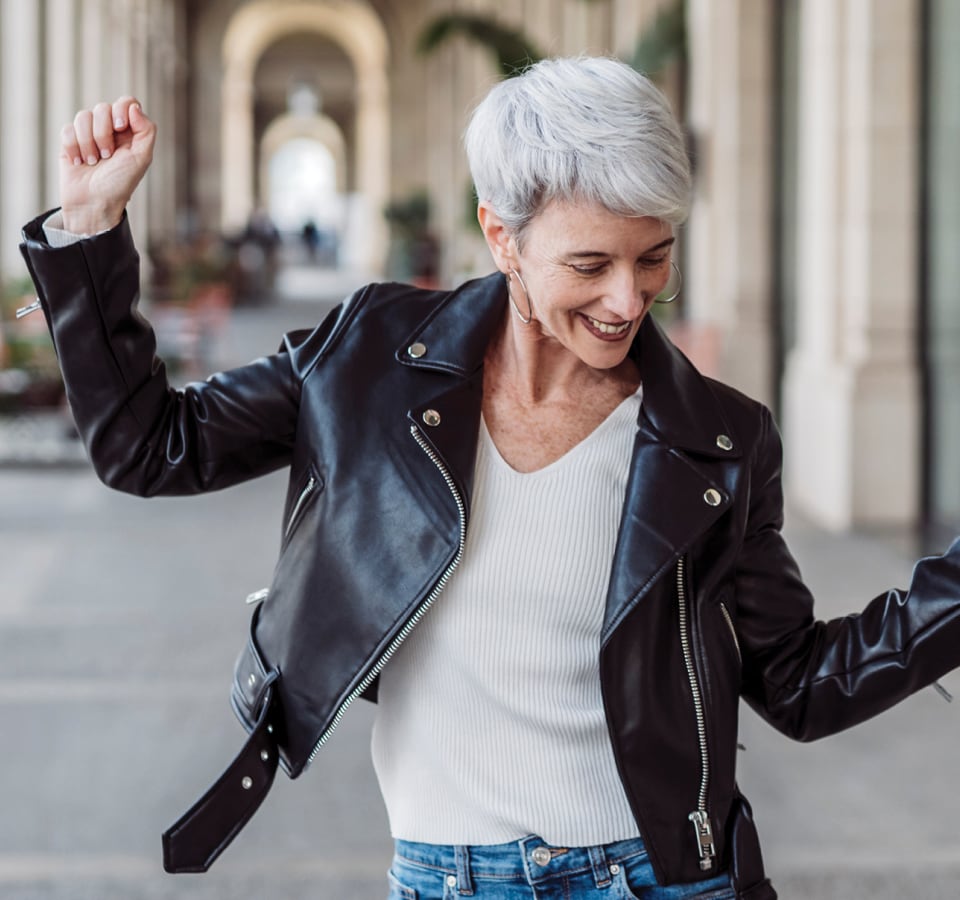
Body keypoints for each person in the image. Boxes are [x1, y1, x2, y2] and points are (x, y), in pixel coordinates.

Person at [17, 58, 960, 900]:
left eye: (655, 257)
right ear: (500, 236)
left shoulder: (718, 440)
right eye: (588, 263)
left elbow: (799, 681)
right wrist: (92, 231)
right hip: (443, 876)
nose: (627, 299)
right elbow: (150, 446)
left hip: (653, 877)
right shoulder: (368, 358)